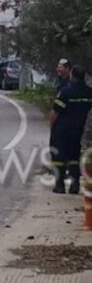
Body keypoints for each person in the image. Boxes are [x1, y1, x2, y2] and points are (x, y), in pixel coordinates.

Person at [49, 65, 92, 194]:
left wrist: (52, 127)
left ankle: (59, 185)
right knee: (74, 157)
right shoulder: (89, 92)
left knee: (58, 157)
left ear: (72, 75)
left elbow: (55, 112)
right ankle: (74, 185)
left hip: (62, 129)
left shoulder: (66, 92)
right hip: (78, 129)